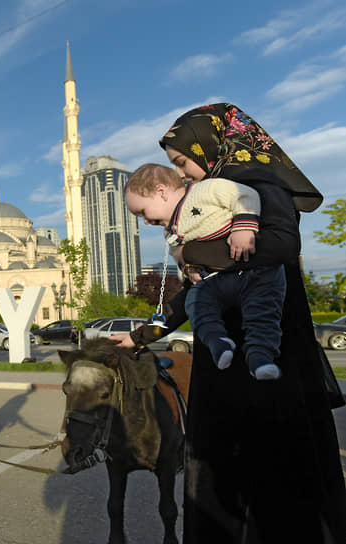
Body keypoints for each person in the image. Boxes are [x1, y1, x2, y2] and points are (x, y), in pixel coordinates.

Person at [112, 103, 346, 543]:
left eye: (183, 162)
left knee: (276, 480)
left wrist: (193, 253)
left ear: (211, 143)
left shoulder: (255, 187)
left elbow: (278, 245)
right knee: (220, 480)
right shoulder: (204, 214)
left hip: (267, 363)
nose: (185, 175)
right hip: (224, 369)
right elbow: (195, 295)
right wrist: (144, 335)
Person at [124, 163, 283, 380]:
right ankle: (217, 340)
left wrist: (244, 226)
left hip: (254, 276)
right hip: (214, 283)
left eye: (142, 211)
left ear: (161, 192)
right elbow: (185, 272)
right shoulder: (171, 232)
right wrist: (188, 267)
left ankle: (260, 356)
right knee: (195, 302)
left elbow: (245, 196)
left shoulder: (205, 190)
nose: (145, 221)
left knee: (262, 312)